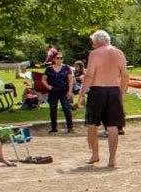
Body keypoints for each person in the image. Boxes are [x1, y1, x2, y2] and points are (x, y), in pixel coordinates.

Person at [80, 30, 129, 168]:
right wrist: (121, 93)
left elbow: (89, 75)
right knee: (113, 126)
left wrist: (81, 94)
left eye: (93, 42)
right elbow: (125, 75)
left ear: (98, 41)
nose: (92, 45)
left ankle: (95, 154)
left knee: (92, 125)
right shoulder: (119, 53)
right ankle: (112, 159)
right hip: (114, 90)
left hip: (97, 90)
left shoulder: (95, 54)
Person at [44, 56, 75, 134]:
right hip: (53, 92)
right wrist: (47, 86)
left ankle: (70, 127)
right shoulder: (49, 69)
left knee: (66, 108)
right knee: (53, 109)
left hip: (64, 91)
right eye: (57, 58)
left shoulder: (66, 68)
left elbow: (71, 80)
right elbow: (43, 79)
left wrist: (70, 91)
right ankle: (54, 127)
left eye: (61, 58)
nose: (60, 60)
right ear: (54, 59)